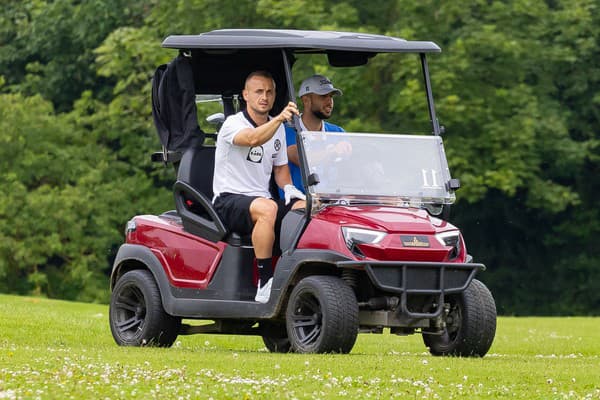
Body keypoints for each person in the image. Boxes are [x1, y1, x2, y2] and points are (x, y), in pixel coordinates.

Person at [212, 70, 306, 303]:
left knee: (308, 208)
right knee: (268, 209)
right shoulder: (233, 124)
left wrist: (291, 191)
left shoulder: (279, 130)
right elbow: (252, 139)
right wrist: (279, 119)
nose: (264, 97)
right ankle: (265, 281)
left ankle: (297, 272)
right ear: (245, 95)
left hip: (261, 199)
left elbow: (280, 171)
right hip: (228, 200)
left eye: (269, 92)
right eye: (259, 92)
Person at [284, 74, 349, 193]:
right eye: (323, 96)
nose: (330, 102)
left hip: (332, 201)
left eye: (331, 96)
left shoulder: (338, 132)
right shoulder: (286, 131)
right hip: (300, 205)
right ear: (306, 100)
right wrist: (333, 151)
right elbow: (300, 158)